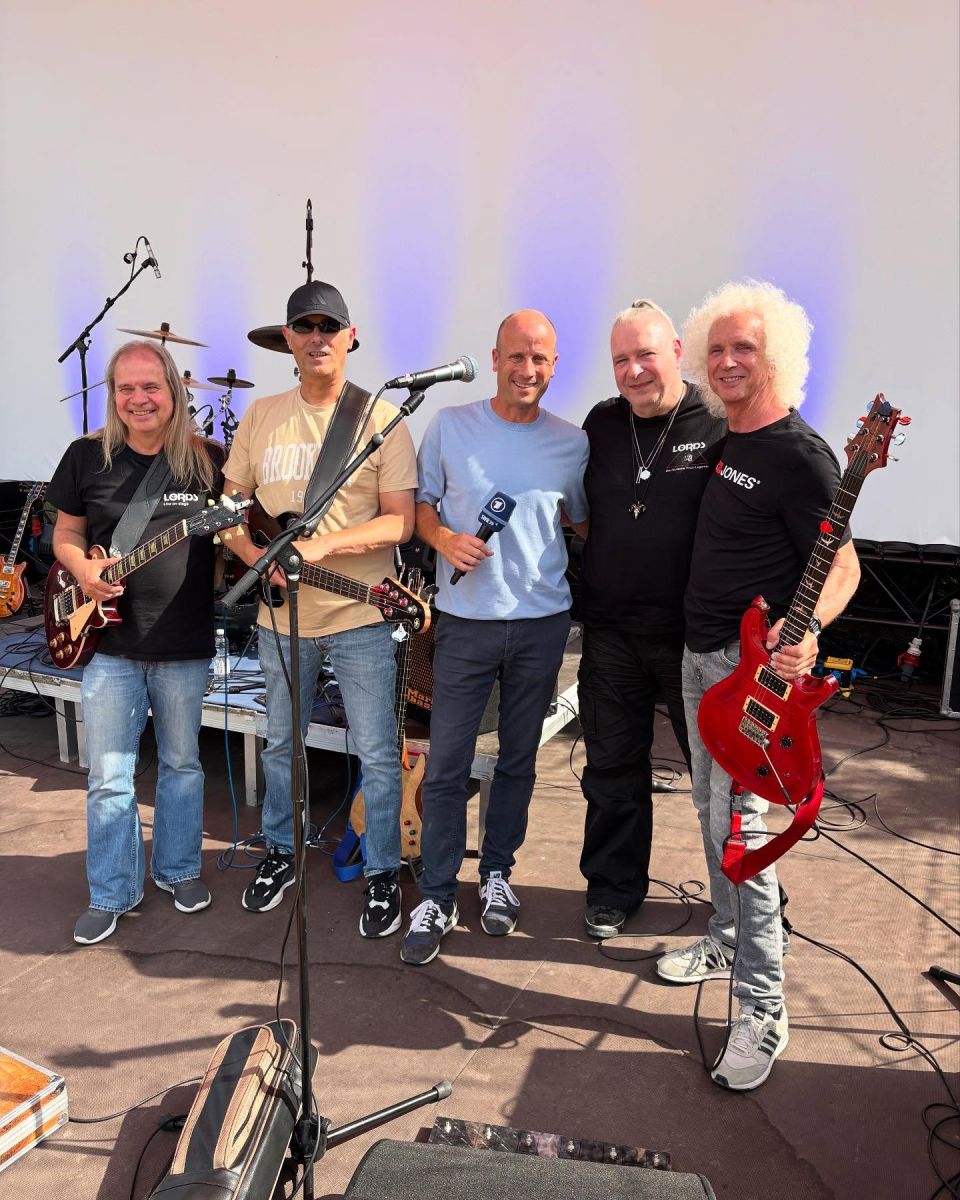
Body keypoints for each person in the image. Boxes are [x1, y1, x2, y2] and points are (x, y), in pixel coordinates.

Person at [656, 280, 861, 1091]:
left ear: (774, 353)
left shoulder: (801, 455)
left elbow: (844, 565)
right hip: (700, 659)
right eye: (717, 349)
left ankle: (764, 1009)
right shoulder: (726, 436)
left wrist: (809, 632)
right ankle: (726, 939)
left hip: (751, 685)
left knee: (741, 835)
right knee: (709, 817)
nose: (728, 361)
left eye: (744, 347)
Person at [223, 281, 417, 937]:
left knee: (378, 753)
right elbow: (229, 509)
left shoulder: (381, 418)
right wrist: (256, 556)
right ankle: (281, 850)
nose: (316, 338)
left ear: (349, 337)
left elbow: (399, 523)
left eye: (328, 327)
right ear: (287, 340)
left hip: (362, 617)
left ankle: (383, 870)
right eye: (303, 327)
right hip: (282, 617)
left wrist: (320, 546)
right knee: (282, 745)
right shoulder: (261, 415)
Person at [400, 309, 589, 966]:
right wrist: (444, 538)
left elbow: (582, 521)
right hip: (464, 626)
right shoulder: (449, 425)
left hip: (541, 627)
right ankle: (437, 893)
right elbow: (420, 508)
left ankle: (497, 875)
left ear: (554, 366)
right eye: (516, 356)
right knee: (447, 765)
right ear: (495, 359)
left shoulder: (572, 443)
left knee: (517, 762)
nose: (526, 370)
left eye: (539, 359)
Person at [48, 341, 225, 944]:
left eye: (151, 386)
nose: (138, 399)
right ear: (112, 395)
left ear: (174, 389)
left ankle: (178, 870)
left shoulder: (208, 462)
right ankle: (111, 891)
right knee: (108, 776)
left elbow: (239, 535)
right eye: (126, 388)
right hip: (109, 647)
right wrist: (83, 572)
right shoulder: (86, 456)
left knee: (182, 766)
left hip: (184, 644)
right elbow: (66, 533)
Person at [577, 300, 726, 940]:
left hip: (695, 639)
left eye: (646, 355)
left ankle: (746, 906)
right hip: (611, 632)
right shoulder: (602, 423)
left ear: (677, 352)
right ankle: (613, 890)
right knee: (612, 771)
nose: (634, 371)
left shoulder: (717, 419)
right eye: (621, 360)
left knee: (719, 783)